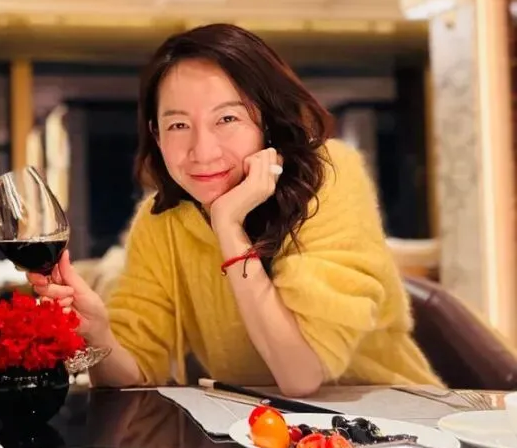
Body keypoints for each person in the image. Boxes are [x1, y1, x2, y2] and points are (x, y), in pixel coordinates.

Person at [31, 23, 441, 397]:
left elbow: (300, 375)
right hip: (259, 430)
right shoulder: (161, 222)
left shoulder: (327, 178)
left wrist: (229, 226)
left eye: (227, 118)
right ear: (156, 135)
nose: (203, 151)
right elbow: (133, 378)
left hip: (398, 420)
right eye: (178, 125)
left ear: (267, 121)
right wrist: (100, 334)